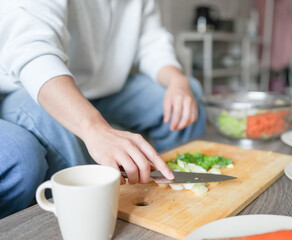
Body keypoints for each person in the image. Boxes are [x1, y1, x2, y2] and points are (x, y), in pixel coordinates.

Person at [0, 0, 206, 214]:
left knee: (190, 90)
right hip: (31, 88)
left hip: (107, 90)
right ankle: (86, 213)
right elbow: (33, 52)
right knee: (56, 129)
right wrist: (93, 128)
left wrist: (177, 81)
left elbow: (152, 43)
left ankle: (174, 186)